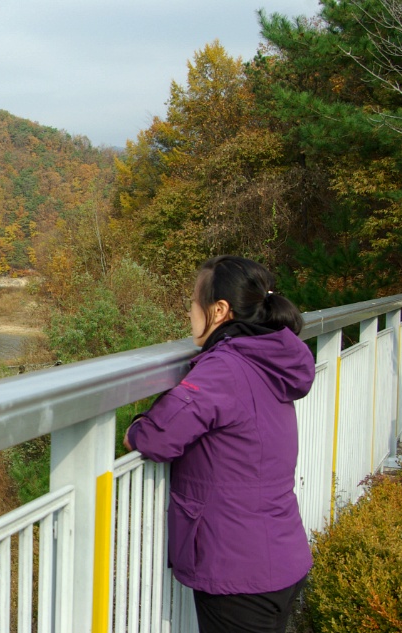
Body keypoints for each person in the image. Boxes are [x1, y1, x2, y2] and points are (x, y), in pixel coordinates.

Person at [123, 255, 314, 633]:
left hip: (238, 573)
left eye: (194, 302)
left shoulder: (224, 368)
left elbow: (159, 436)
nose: (190, 312)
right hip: (279, 555)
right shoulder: (268, 359)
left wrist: (134, 429)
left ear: (220, 310)